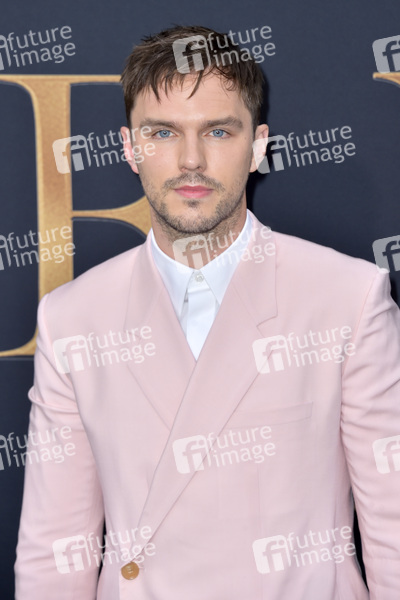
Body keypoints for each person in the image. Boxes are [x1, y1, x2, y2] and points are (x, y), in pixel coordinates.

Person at [15, 25, 400, 600]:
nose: (191, 160)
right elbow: (54, 548)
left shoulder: (348, 297)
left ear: (258, 145)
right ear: (130, 148)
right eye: (162, 133)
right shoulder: (72, 318)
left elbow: (394, 523)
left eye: (218, 131)